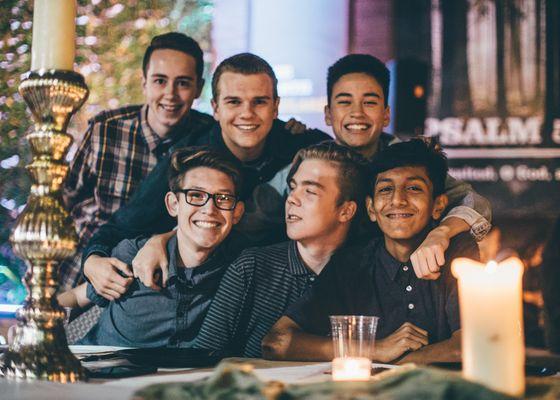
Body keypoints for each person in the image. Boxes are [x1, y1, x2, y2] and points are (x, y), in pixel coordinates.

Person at [81, 53, 329, 301]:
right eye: (234, 102)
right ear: (215, 109)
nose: (247, 113)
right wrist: (93, 261)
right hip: (206, 293)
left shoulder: (300, 145)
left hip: (283, 286)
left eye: (259, 102)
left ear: (275, 106)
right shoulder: (191, 157)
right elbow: (125, 224)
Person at [266, 53, 491, 280]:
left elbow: (475, 203)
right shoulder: (309, 167)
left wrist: (441, 233)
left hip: (387, 284)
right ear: (327, 114)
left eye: (370, 102)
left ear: (386, 115)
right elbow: (254, 214)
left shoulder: (409, 162)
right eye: (344, 102)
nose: (357, 113)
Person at [262, 139, 480, 364]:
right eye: (385, 189)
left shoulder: (458, 251)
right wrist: (376, 350)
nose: (397, 200)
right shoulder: (351, 264)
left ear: (438, 206)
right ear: (371, 209)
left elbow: (473, 345)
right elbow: (276, 343)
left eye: (414, 188)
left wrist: (398, 363)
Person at [59, 32, 212, 290]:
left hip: (148, 285)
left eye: (183, 83)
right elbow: (64, 201)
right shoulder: (106, 130)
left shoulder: (208, 137)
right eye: (160, 81)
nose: (170, 94)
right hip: (82, 271)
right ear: (144, 83)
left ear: (199, 87)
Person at [190, 142, 370, 357]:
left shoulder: (369, 271)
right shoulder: (252, 268)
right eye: (293, 187)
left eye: (310, 191)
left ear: (346, 210)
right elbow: (202, 357)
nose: (292, 198)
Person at [60, 149, 245, 347]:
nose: (210, 209)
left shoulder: (237, 271)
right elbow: (77, 298)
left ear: (237, 213)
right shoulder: (133, 255)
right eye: (196, 195)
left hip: (176, 376)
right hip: (96, 370)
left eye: (223, 199)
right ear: (173, 204)